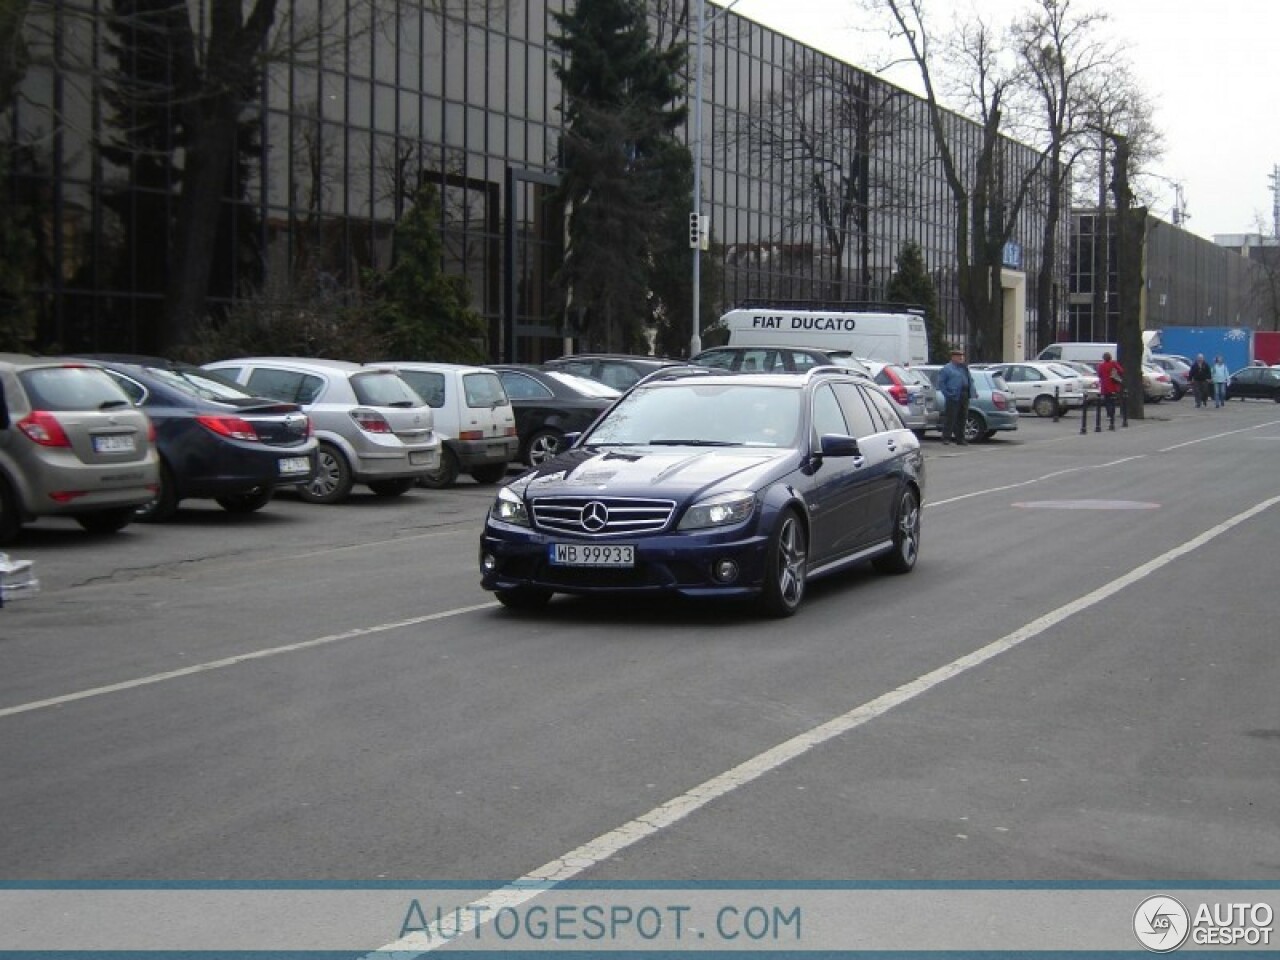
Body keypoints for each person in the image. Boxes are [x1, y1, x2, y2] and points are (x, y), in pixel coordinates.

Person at [936, 347, 972, 445]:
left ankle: (960, 439)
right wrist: (948, 394)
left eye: (962, 356)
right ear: (953, 357)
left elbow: (969, 380)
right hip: (953, 395)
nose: (961, 358)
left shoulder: (964, 368)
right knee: (951, 417)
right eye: (959, 356)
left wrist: (972, 391)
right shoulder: (947, 368)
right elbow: (941, 383)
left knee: (963, 418)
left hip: (964, 394)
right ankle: (946, 438)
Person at [1095, 350, 1123, 430]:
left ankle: (1109, 414)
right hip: (1113, 384)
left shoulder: (1101, 365)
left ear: (1103, 358)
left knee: (1107, 401)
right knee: (1113, 400)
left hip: (1105, 385)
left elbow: (1099, 374)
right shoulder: (1113, 364)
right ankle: (1112, 414)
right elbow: (1121, 370)